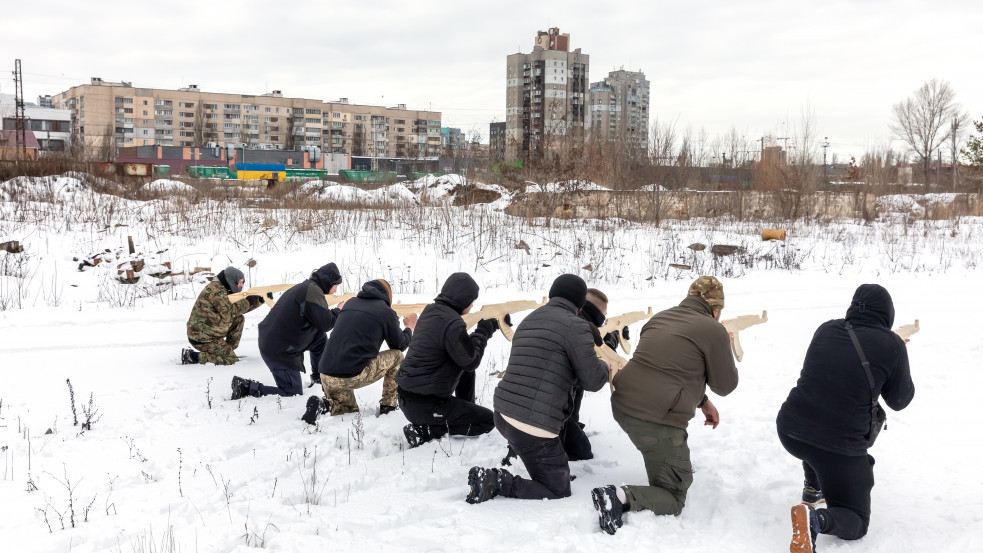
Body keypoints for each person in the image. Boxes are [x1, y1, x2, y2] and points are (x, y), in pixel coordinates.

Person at [591, 275, 738, 535]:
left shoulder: (660, 317)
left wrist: (703, 402)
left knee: (674, 463)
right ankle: (617, 497)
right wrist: (722, 343)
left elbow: (668, 368)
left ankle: (666, 458)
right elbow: (725, 386)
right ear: (716, 310)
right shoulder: (713, 330)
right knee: (674, 495)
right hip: (654, 421)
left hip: (623, 403)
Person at [777, 284, 914, 552]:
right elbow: (899, 400)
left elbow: (831, 373)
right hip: (836, 445)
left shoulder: (827, 328)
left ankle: (812, 488)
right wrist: (897, 357)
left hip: (791, 429)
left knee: (822, 412)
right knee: (857, 520)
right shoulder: (893, 345)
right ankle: (815, 519)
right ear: (888, 313)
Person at [465, 274, 609, 504]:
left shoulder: (530, 319)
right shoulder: (576, 326)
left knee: (551, 425)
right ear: (580, 306)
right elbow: (593, 381)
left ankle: (527, 454)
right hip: (532, 426)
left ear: (552, 295)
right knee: (558, 489)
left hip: (502, 414)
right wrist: (606, 364)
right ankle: (496, 481)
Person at [396, 272, 501, 448]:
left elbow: (462, 352)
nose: (472, 306)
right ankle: (428, 430)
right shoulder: (452, 322)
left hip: (407, 397)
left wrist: (484, 330)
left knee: (466, 369)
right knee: (487, 421)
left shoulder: (431, 312)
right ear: (464, 300)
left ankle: (466, 408)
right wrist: (483, 331)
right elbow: (471, 360)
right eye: (472, 302)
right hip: (426, 405)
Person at [303, 278, 417, 423]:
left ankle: (323, 404)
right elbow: (400, 345)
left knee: (346, 411)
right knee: (397, 356)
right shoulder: (385, 311)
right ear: (387, 295)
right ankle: (388, 406)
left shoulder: (350, 303)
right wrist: (409, 328)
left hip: (326, 373)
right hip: (353, 374)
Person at [230, 263, 343, 400]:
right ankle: (247, 387)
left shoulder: (309, 287)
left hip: (277, 339)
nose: (336, 290)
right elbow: (327, 323)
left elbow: (320, 320)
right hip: (278, 350)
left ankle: (318, 378)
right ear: (328, 282)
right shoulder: (312, 292)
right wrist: (339, 310)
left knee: (319, 338)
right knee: (292, 392)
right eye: (336, 286)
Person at [183, 266, 264, 365]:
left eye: (243, 282)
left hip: (210, 331)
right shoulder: (216, 290)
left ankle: (226, 350)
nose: (241, 286)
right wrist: (248, 301)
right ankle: (193, 357)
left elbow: (236, 311)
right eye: (239, 282)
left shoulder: (223, 288)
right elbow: (229, 311)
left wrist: (258, 301)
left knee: (239, 319)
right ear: (231, 280)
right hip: (201, 338)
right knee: (230, 360)